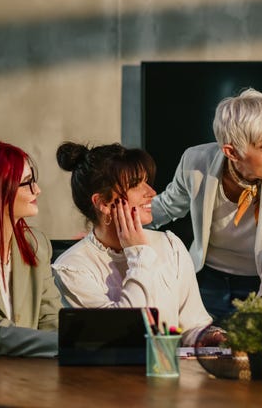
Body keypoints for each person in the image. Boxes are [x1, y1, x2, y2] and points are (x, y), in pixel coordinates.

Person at [149, 88, 262, 319]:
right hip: (207, 281)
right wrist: (110, 227)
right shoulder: (195, 162)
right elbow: (166, 207)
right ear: (232, 152)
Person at [52, 142, 222, 347]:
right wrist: (138, 253)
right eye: (136, 184)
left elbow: (192, 324)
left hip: (171, 373)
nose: (151, 192)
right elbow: (123, 334)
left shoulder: (170, 245)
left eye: (147, 181)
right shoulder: (72, 268)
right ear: (103, 203)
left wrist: (208, 336)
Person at [0, 141, 61, 356]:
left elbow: (51, 319)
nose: (38, 190)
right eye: (27, 182)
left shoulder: (36, 245)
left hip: (31, 379)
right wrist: (73, 345)